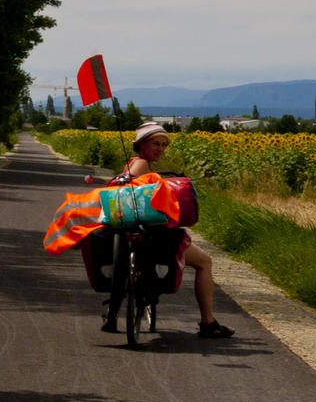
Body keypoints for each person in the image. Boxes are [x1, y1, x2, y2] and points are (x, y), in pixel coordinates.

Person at [46, 125, 232, 338]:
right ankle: (208, 322)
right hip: (146, 234)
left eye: (164, 145)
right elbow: (136, 193)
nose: (160, 149)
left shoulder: (133, 164)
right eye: (155, 143)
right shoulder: (141, 165)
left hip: (126, 232)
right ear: (141, 144)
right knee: (205, 261)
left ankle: (120, 298)